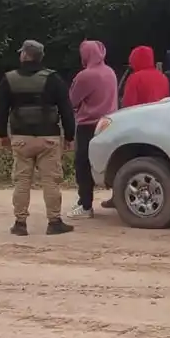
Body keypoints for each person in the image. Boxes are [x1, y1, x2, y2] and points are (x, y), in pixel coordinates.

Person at [0, 39, 77, 236]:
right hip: (48, 137)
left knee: (22, 181)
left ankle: (20, 223)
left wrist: (2, 134)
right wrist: (69, 135)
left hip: (21, 137)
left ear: (24, 55)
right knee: (51, 181)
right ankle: (54, 222)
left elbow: (1, 110)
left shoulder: (9, 79)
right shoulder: (53, 78)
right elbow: (66, 109)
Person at [67, 39, 118, 220]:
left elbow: (72, 100)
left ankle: (85, 205)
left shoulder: (85, 76)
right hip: (110, 123)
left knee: (83, 164)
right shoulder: (110, 72)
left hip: (88, 125)